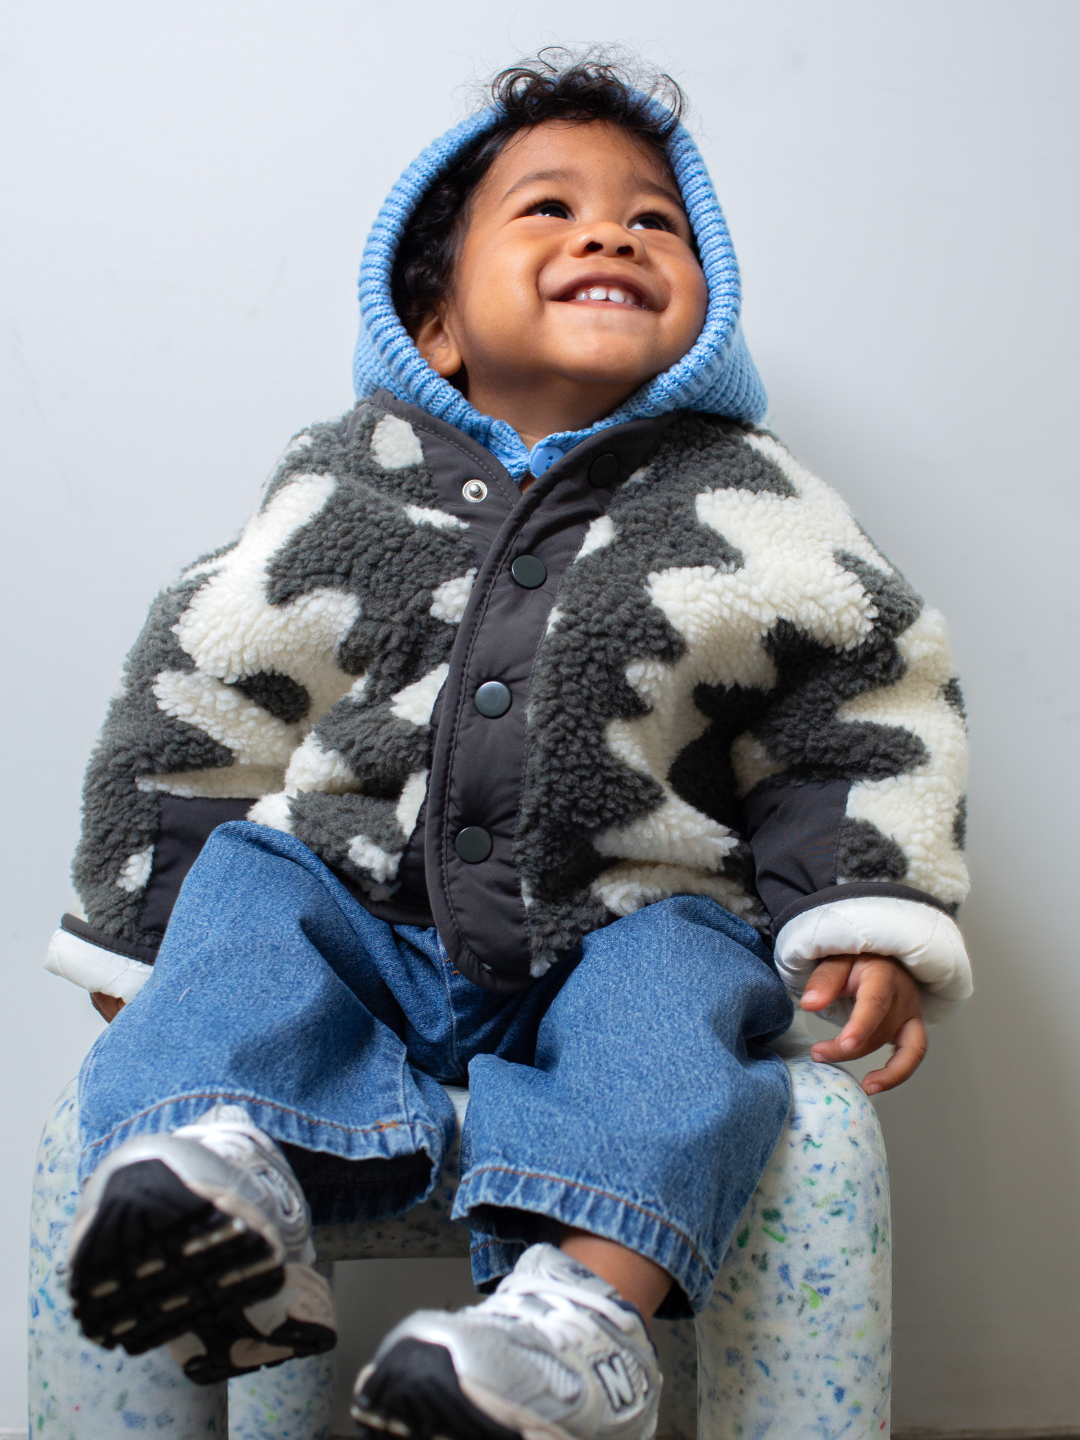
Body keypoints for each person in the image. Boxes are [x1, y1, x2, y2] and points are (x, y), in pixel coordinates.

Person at [49, 50, 973, 1440]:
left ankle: (579, 1323)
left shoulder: (752, 499)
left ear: (706, 304)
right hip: (361, 930)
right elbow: (200, 691)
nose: (610, 230)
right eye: (548, 208)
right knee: (255, 885)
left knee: (681, 992)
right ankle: (218, 1169)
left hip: (620, 933)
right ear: (432, 321)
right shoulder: (345, 484)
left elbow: (861, 700)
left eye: (655, 219)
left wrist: (867, 908)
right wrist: (141, 947)